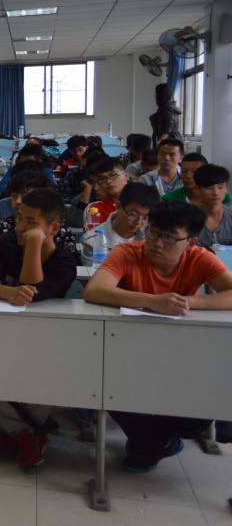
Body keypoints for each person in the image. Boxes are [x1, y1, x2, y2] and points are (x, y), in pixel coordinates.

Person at [84, 201, 232, 471]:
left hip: (181, 354)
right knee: (109, 385)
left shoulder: (199, 258)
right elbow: (94, 290)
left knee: (196, 416)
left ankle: (155, 441)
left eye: (169, 238)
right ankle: (153, 443)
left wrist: (185, 302)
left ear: (190, 241)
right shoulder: (128, 252)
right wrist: (152, 301)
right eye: (152, 232)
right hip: (129, 351)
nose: (157, 243)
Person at [0, 188, 78, 469]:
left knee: (44, 376)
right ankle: (29, 433)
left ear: (53, 228)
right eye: (19, 218)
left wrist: (33, 245)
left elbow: (33, 292)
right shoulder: (6, 243)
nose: (20, 227)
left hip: (46, 341)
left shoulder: (65, 260)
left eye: (31, 222)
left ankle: (19, 432)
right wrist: (8, 292)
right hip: (0, 334)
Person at [0, 169, 78, 256]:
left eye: (25, 196)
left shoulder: (62, 233)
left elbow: (70, 264)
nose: (18, 201)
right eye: (14, 196)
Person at [81, 183, 156, 265]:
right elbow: (94, 272)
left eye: (145, 217)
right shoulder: (92, 241)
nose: (138, 222)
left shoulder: (153, 238)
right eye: (133, 214)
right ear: (118, 206)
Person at [82, 157, 130, 230]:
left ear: (126, 176)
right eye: (103, 178)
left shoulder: (143, 201)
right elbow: (93, 235)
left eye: (113, 175)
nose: (108, 181)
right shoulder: (94, 208)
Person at [192, 164, 232, 248]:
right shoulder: (188, 217)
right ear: (198, 189)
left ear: (226, 188)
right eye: (209, 188)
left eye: (220, 187)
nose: (216, 193)